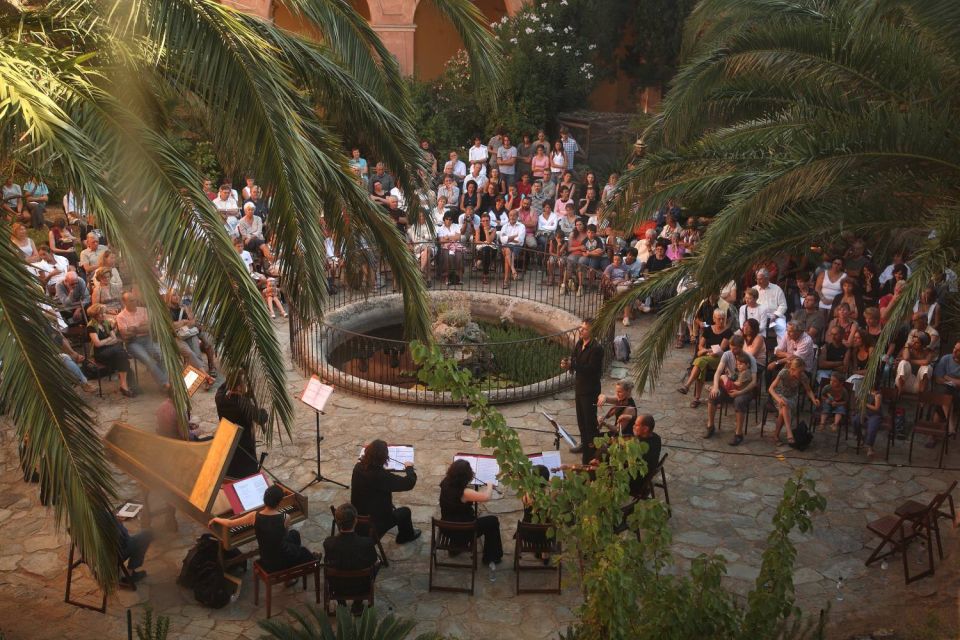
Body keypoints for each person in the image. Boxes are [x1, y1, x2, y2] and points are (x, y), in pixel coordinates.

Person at [209, 485, 318, 571]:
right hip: (281, 558)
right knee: (300, 545)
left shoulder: (253, 516)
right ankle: (295, 567)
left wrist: (215, 519)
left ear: (264, 499)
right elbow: (283, 536)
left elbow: (229, 523)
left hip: (266, 559)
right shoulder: (286, 517)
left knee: (294, 535)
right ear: (279, 502)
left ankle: (290, 567)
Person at [351, 440, 421, 544]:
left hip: (358, 516)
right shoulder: (381, 477)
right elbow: (408, 483)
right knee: (405, 512)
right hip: (375, 522)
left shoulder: (358, 467)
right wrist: (409, 468)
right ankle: (405, 536)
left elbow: (375, 479)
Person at [438, 459, 503, 566]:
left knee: (468, 516)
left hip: (446, 527)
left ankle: (456, 547)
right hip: (463, 530)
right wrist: (490, 486)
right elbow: (485, 497)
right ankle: (491, 557)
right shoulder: (465, 493)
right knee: (492, 521)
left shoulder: (445, 482)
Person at [323, 503, 379, 615]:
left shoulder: (329, 543)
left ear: (338, 523)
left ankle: (342, 604)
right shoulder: (367, 543)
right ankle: (357, 604)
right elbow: (374, 561)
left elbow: (328, 563)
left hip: (337, 587)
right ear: (355, 521)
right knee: (377, 564)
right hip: (361, 586)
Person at [561, 319, 604, 463]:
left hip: (590, 390)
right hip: (579, 388)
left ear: (592, 331)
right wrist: (568, 364)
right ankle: (584, 444)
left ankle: (591, 452)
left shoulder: (597, 348)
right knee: (581, 421)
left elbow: (591, 369)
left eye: (584, 329)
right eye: (581, 328)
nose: (581, 331)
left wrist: (574, 365)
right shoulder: (580, 343)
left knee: (589, 422)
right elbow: (574, 358)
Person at [704, 334, 759, 445]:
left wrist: (740, 392)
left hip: (744, 389)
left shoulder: (750, 359)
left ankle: (738, 433)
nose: (732, 350)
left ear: (741, 346)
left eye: (735, 348)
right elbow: (718, 372)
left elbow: (754, 382)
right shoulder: (727, 355)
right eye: (731, 347)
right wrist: (715, 387)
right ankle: (710, 426)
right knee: (713, 395)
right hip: (731, 385)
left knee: (739, 401)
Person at [216, 375, 268, 478]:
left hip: (228, 441)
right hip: (244, 444)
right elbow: (261, 418)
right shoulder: (242, 405)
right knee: (246, 473)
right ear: (239, 387)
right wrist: (263, 411)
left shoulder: (220, 397)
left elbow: (223, 386)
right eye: (243, 384)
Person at [678, 309, 732, 408]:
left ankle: (688, 387)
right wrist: (707, 351)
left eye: (722, 319)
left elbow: (721, 349)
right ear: (714, 319)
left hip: (721, 359)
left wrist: (705, 351)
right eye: (718, 319)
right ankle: (696, 397)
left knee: (700, 361)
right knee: (701, 366)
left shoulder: (728, 331)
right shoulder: (708, 330)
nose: (721, 321)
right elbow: (700, 345)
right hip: (708, 357)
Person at [116, 292, 169, 388]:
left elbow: (150, 328)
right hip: (133, 343)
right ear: (124, 302)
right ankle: (165, 383)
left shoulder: (144, 310)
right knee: (148, 360)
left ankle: (165, 382)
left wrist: (134, 328)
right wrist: (141, 325)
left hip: (148, 338)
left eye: (135, 300)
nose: (134, 302)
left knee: (162, 356)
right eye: (131, 301)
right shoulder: (120, 316)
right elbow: (125, 335)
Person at [86, 303, 134, 397]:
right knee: (122, 355)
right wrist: (108, 340)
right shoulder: (91, 326)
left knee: (121, 357)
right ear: (95, 315)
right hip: (100, 353)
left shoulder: (106, 323)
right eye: (101, 313)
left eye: (104, 313)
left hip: (111, 350)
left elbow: (115, 338)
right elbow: (97, 344)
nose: (104, 315)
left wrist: (105, 341)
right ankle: (128, 385)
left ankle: (124, 386)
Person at [768, 356, 819, 445]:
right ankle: (788, 431)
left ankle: (776, 435)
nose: (801, 373)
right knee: (784, 403)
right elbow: (771, 389)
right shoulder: (784, 373)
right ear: (792, 369)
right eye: (799, 371)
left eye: (802, 371)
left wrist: (814, 399)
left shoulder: (802, 376)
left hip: (792, 397)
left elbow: (808, 390)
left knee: (782, 410)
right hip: (779, 395)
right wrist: (778, 399)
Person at [115, 511, 153, 586]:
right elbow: (124, 538)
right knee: (146, 535)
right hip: (113, 558)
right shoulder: (104, 516)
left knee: (135, 540)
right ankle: (130, 573)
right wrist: (119, 522)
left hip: (97, 561)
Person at [895, 331, 934, 395]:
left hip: (919, 384)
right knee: (903, 363)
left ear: (923, 345)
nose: (913, 344)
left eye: (917, 343)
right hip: (905, 381)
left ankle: (921, 397)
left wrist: (910, 360)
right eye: (913, 341)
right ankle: (899, 392)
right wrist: (907, 345)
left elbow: (926, 362)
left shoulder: (928, 352)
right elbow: (906, 358)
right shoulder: (907, 349)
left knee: (927, 367)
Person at [753, 268, 788, 339]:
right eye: (757, 279)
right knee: (753, 329)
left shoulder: (777, 289)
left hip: (774, 316)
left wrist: (775, 316)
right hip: (758, 317)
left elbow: (783, 305)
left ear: (767, 279)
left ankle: (782, 348)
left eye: (761, 279)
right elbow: (750, 305)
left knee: (782, 328)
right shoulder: (754, 289)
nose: (758, 282)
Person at [852, 387, 884, 459]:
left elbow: (876, 408)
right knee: (855, 420)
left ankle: (869, 447)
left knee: (872, 427)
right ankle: (859, 437)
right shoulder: (865, 390)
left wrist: (865, 403)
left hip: (875, 414)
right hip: (864, 412)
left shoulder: (877, 395)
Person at [498, 208, 525, 289]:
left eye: (514, 215)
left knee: (507, 253)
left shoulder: (521, 226)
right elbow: (502, 240)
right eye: (510, 215)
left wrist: (508, 239)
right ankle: (513, 270)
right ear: (508, 217)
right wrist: (513, 237)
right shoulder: (505, 226)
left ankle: (506, 280)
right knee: (507, 250)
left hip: (516, 247)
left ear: (517, 217)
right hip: (506, 246)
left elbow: (520, 240)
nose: (512, 217)